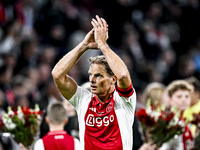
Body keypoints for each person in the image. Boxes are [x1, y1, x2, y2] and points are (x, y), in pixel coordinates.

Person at [52, 15, 136, 150]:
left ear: (112, 79)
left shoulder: (123, 100)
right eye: (90, 75)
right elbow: (58, 74)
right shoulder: (83, 100)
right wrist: (83, 46)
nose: (92, 79)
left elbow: (123, 75)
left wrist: (103, 45)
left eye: (98, 75)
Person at [159, 80, 194, 150]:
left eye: (187, 96)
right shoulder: (165, 122)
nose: (184, 99)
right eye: (179, 96)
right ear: (170, 100)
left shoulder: (190, 122)